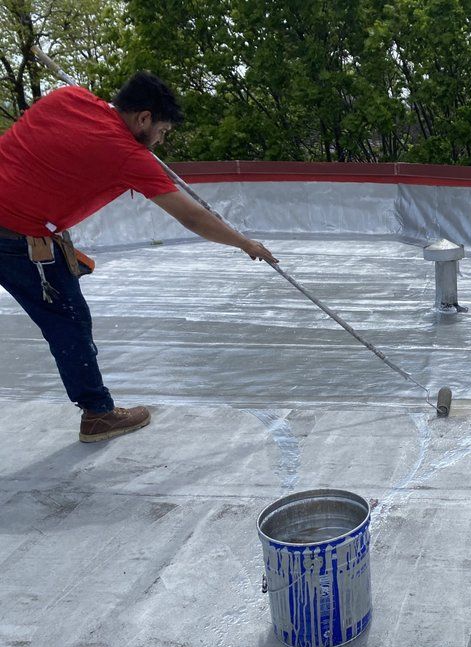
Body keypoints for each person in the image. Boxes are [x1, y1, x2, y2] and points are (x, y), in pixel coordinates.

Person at [0, 72, 277, 442]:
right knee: (68, 320)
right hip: (16, 238)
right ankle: (98, 414)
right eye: (162, 131)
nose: (160, 141)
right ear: (143, 119)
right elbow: (192, 216)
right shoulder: (127, 154)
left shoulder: (68, 97)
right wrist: (245, 243)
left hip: (13, 224)